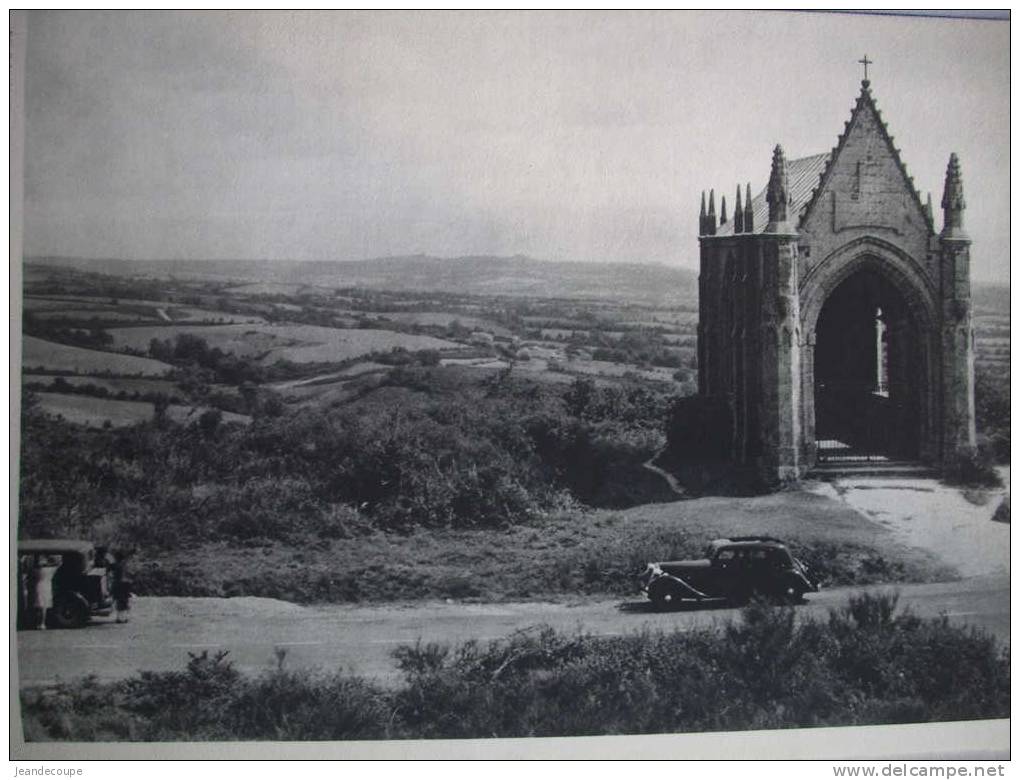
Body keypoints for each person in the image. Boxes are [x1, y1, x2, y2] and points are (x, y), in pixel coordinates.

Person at [110, 550, 133, 623]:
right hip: (125, 584)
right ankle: (125, 618)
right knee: (125, 602)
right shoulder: (124, 565)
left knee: (120, 603)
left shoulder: (116, 565)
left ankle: (120, 618)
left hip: (119, 584)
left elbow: (109, 569)